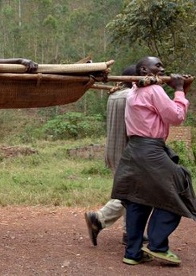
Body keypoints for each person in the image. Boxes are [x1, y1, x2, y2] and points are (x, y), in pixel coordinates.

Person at [111, 56, 196, 265]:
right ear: (144, 70)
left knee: (138, 198)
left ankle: (132, 253)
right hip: (151, 150)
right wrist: (179, 89)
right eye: (157, 66)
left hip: (134, 150)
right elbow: (176, 117)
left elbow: (163, 112)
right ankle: (157, 245)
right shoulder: (153, 90)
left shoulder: (134, 91)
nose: (162, 69)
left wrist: (181, 89)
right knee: (178, 189)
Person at [84, 65, 146, 246]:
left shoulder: (113, 96)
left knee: (129, 190)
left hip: (113, 151)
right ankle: (99, 218)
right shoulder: (131, 97)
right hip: (128, 152)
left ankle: (129, 232)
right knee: (132, 193)